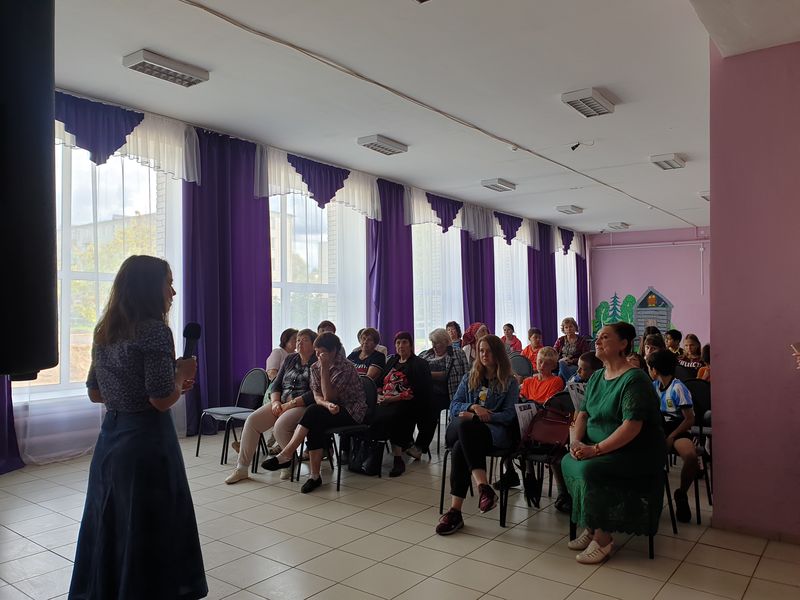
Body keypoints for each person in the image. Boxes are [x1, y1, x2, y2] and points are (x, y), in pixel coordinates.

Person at [69, 255, 207, 599]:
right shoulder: (155, 330)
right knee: (150, 527)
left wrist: (164, 382)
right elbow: (160, 399)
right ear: (149, 287)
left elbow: (95, 393)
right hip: (147, 444)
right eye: (168, 283)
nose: (173, 292)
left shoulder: (105, 331)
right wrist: (180, 375)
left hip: (111, 441)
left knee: (111, 523)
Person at [561, 322, 666, 565]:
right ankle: (592, 525)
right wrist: (577, 442)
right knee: (567, 460)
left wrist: (594, 450)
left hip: (634, 452)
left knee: (591, 469)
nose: (597, 341)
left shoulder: (634, 379)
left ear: (623, 344)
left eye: (605, 337)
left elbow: (632, 427)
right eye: (597, 337)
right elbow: (583, 414)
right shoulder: (597, 376)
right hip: (598, 448)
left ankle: (603, 538)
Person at [435, 335, 519, 535]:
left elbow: (509, 415)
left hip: (491, 433)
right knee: (465, 427)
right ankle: (484, 488)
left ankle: (455, 512)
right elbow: (454, 405)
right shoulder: (469, 377)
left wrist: (482, 417)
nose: (484, 354)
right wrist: (473, 407)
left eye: (488, 351)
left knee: (461, 443)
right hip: (463, 430)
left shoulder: (510, 382)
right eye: (481, 350)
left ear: (498, 353)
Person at [262, 333, 367, 493]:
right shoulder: (315, 366)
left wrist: (324, 369)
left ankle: (288, 456)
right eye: (317, 352)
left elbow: (329, 396)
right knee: (314, 420)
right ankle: (313, 476)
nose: (318, 356)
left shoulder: (345, 367)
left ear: (334, 351)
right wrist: (326, 404)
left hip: (351, 411)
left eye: (322, 352)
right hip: (328, 408)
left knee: (313, 413)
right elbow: (318, 396)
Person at [225, 329, 318, 484]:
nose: (300, 343)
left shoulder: (317, 363)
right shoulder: (290, 359)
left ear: (314, 344)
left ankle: (288, 460)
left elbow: (315, 393)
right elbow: (276, 384)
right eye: (298, 340)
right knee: (252, 421)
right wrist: (275, 402)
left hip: (303, 405)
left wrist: (289, 404)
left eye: (305, 340)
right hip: (281, 402)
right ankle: (241, 469)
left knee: (280, 426)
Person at [371, 331, 432, 475]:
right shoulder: (392, 361)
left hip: (409, 402)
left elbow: (416, 392)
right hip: (387, 399)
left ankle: (398, 458)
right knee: (372, 413)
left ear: (410, 345)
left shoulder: (419, 364)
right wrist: (379, 395)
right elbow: (380, 382)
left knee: (394, 415)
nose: (401, 346)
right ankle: (372, 454)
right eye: (398, 343)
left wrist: (392, 399)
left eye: (404, 342)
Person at [647, 350, 697, 523]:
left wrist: (671, 437)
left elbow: (689, 419)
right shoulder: (653, 387)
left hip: (678, 429)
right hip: (658, 428)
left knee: (691, 457)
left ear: (655, 370)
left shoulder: (678, 387)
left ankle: (681, 493)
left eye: (649, 368)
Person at [416, 328, 469, 457]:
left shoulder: (457, 353)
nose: (434, 346)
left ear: (446, 342)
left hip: (450, 393)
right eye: (432, 342)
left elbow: (464, 375)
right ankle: (406, 443)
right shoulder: (426, 354)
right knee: (413, 406)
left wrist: (428, 375)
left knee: (431, 407)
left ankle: (419, 447)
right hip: (427, 392)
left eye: (437, 343)